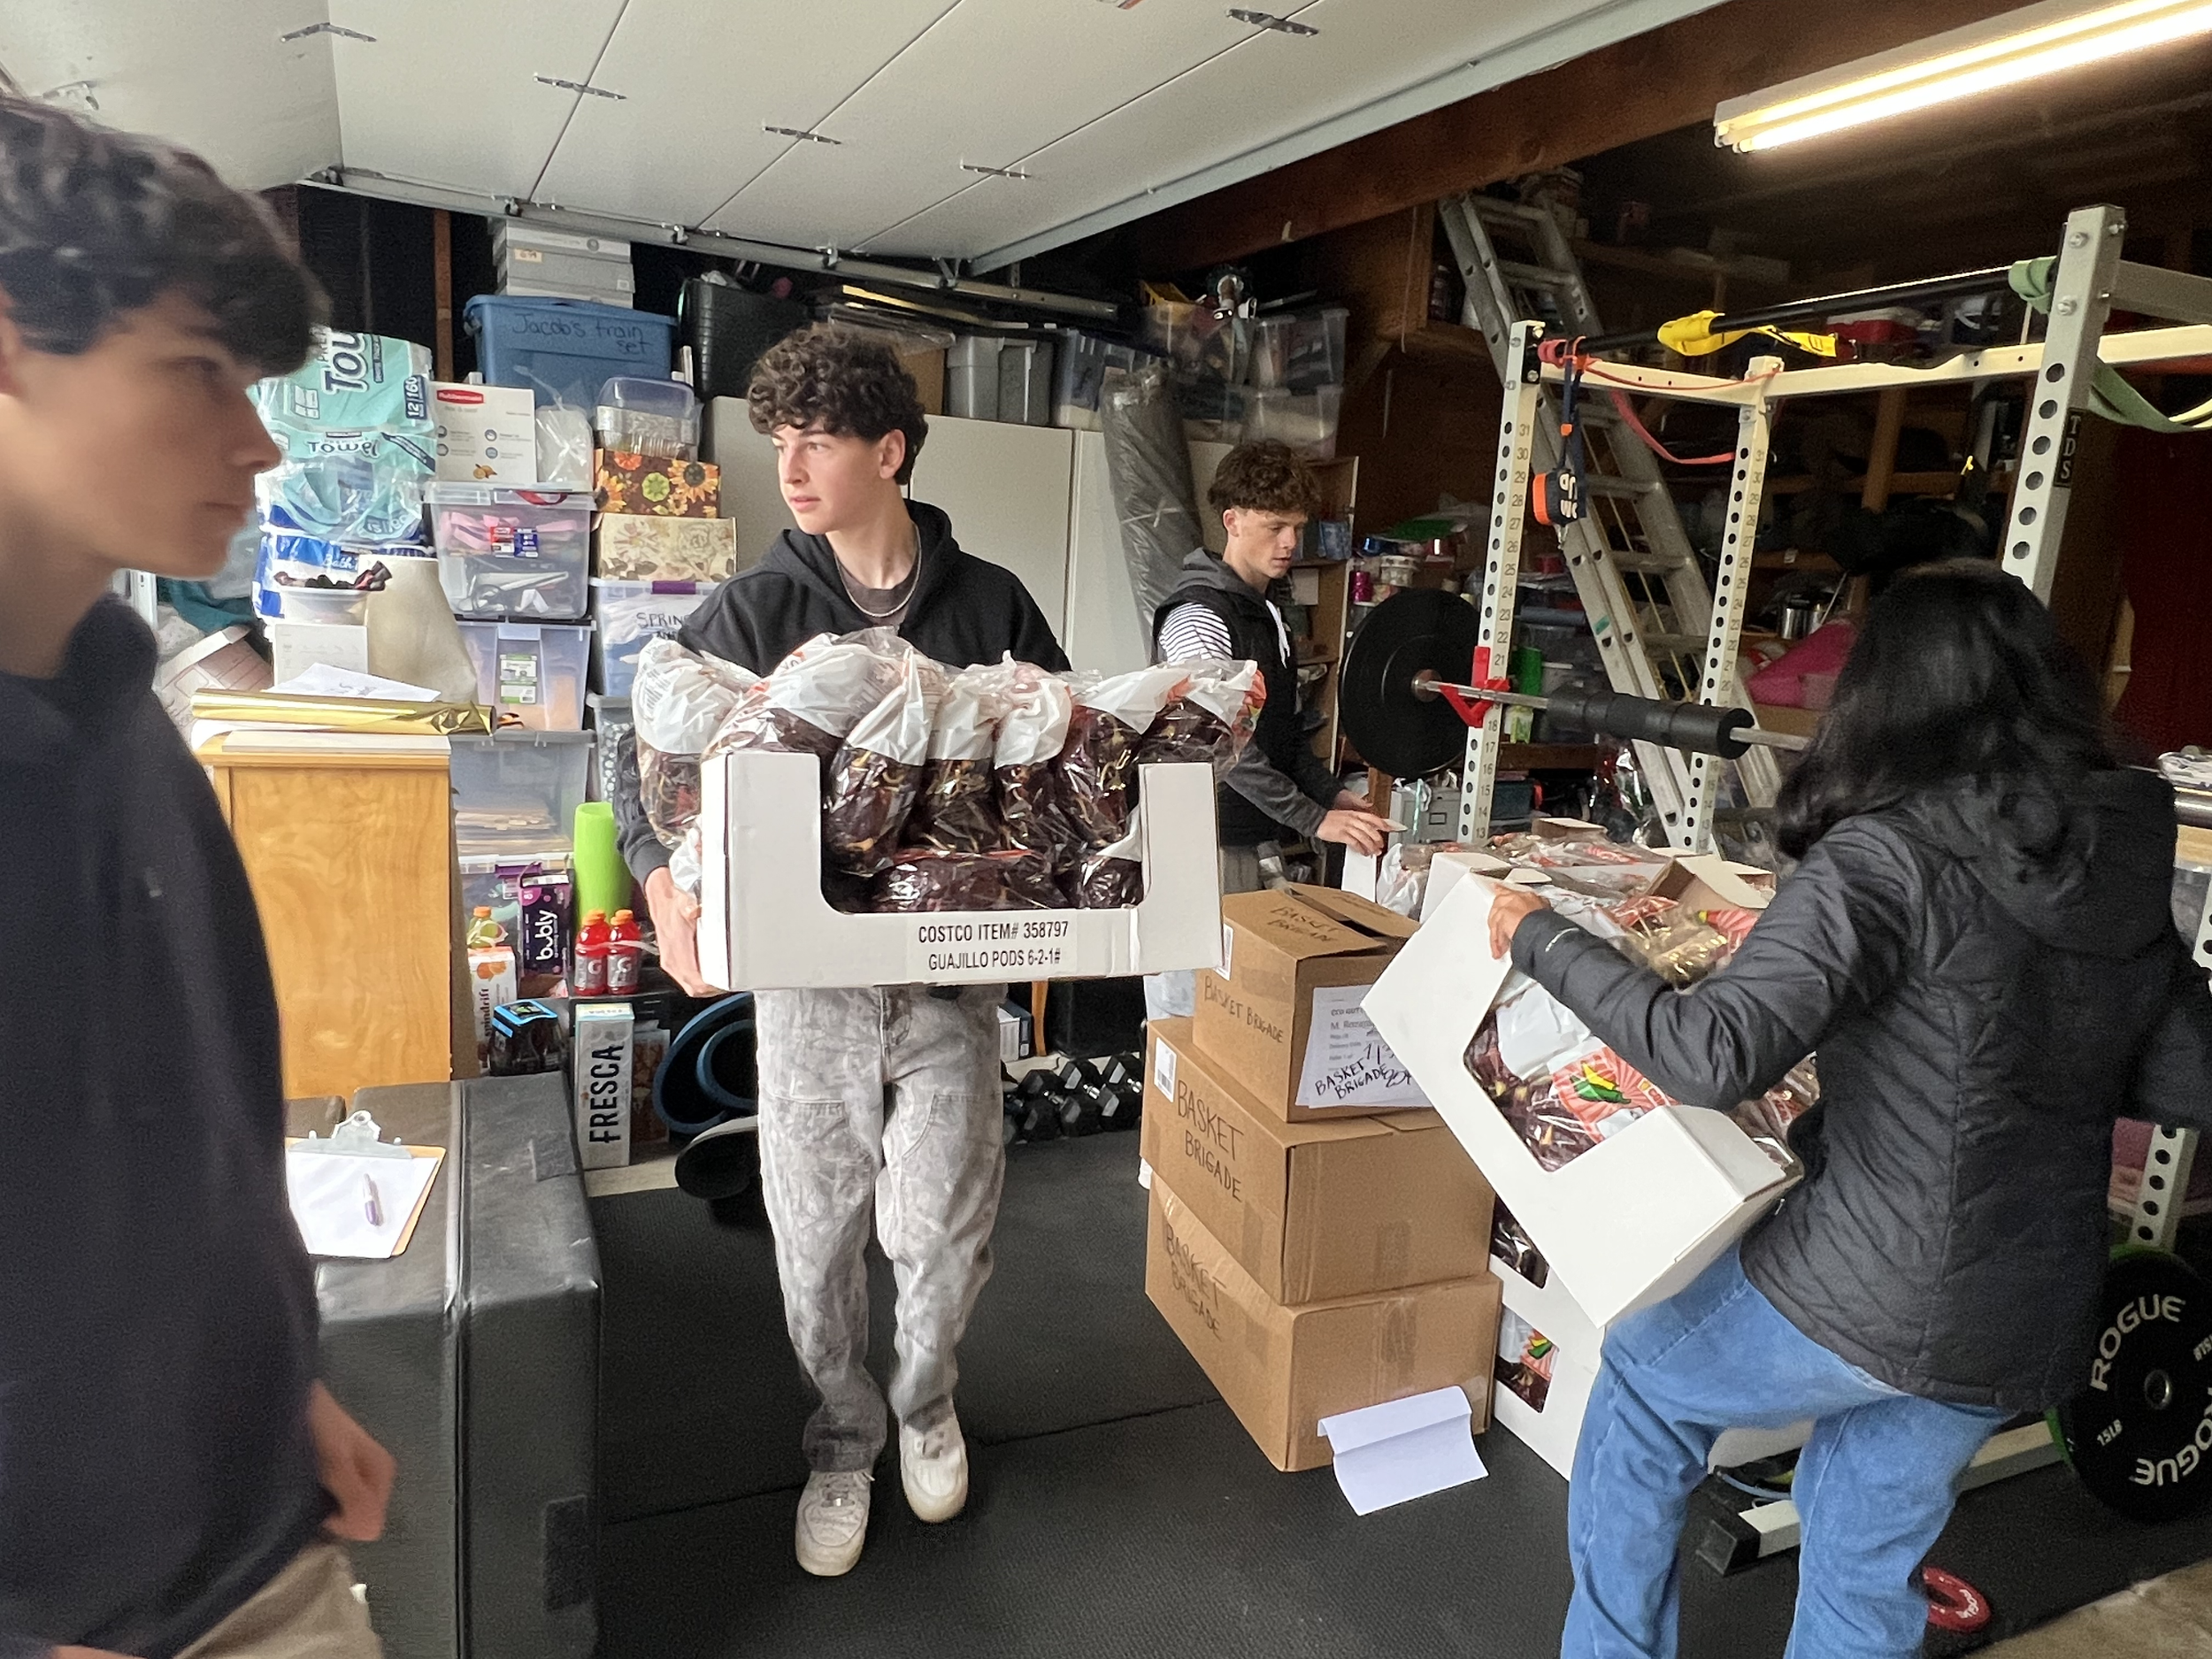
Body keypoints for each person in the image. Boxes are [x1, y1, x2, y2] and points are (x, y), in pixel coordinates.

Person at [1479, 559, 2212, 1659]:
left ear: (1886, 700)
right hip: (2028, 1309)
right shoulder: (2121, 856)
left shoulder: (1886, 857)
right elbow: (2185, 1083)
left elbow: (1709, 1049)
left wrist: (1538, 935)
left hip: (1872, 1283)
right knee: (1860, 1551)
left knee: (1640, 1381)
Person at [0, 98, 395, 1659]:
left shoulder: (127, 712)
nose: (258, 441)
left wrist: (274, 1381)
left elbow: (176, 1137)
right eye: (198, 374)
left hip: (249, 1536)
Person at [614, 325, 1067, 1578]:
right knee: (814, 1244)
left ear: (891, 449)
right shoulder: (753, 609)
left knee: (940, 1232)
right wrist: (664, 895)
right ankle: (840, 1437)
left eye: (817, 441)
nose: (792, 467)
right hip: (811, 991)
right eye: (779, 442)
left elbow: (1069, 758)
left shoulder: (993, 603)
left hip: (953, 980)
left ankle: (925, 1407)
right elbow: (630, 752)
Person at [1146, 440, 1393, 1018]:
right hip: (1199, 842)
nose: (1289, 543)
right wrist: (1314, 818)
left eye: (1298, 527)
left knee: (1242, 1013)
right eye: (1275, 525)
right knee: (1193, 1015)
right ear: (1232, 520)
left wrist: (1333, 793)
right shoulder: (1198, 618)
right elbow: (1219, 744)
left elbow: (1279, 735)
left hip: (1247, 835)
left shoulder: (1269, 615)